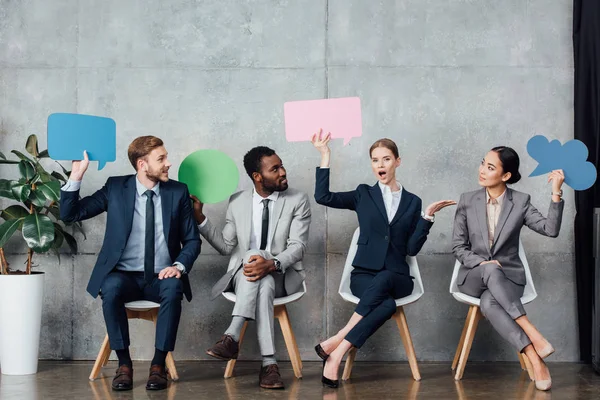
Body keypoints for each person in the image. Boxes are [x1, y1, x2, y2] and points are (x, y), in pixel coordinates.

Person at [311, 131, 455, 388]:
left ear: (397, 162)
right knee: (387, 306)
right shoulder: (362, 193)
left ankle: (337, 341)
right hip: (364, 275)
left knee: (388, 277)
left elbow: (411, 250)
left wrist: (427, 218)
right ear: (372, 165)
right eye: (375, 160)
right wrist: (325, 155)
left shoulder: (413, 202)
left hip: (398, 276)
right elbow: (323, 197)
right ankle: (337, 354)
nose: (381, 164)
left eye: (386, 159)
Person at [60, 136, 201, 391]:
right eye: (161, 159)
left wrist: (178, 266)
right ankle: (124, 365)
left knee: (173, 289)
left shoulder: (177, 191)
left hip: (161, 276)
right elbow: (70, 214)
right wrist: (77, 175)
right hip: (124, 276)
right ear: (142, 164)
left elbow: (192, 241)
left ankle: (158, 366)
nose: (168, 163)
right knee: (110, 287)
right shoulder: (116, 188)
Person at [191, 146, 311, 390]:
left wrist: (272, 263)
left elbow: (297, 246)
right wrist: (200, 218)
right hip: (246, 276)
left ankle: (232, 335)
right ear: (258, 176)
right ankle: (269, 364)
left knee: (259, 263)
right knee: (257, 270)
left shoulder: (297, 200)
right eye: (274, 169)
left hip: (281, 275)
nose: (283, 172)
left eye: (281, 166)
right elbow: (226, 246)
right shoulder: (238, 201)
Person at [452, 146, 564, 391]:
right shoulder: (467, 200)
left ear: (506, 176)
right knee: (490, 269)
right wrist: (483, 263)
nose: (482, 170)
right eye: (483, 163)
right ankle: (532, 331)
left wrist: (556, 194)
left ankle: (535, 358)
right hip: (474, 276)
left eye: (490, 167)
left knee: (489, 303)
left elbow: (550, 230)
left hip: (508, 279)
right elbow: (458, 247)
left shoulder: (521, 202)